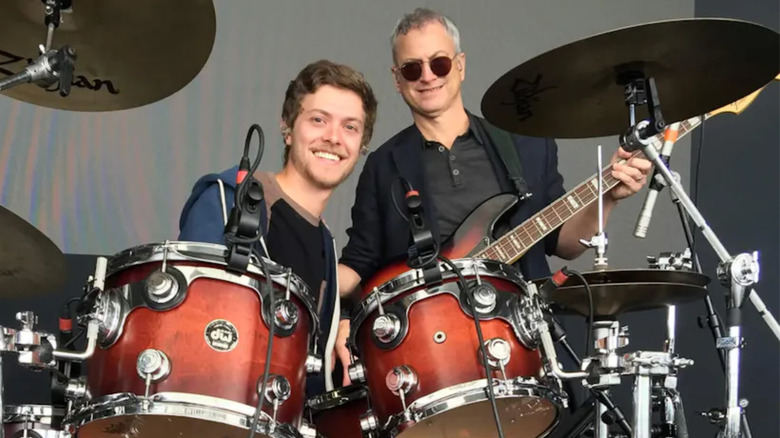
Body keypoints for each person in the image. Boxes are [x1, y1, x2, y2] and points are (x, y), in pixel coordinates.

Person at [334, 8, 651, 382]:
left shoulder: (526, 145)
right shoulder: (384, 165)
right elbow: (361, 260)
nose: (428, 77)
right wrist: (338, 315)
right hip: (433, 354)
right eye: (412, 69)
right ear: (397, 80)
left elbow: (563, 242)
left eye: (439, 63)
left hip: (523, 344)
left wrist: (608, 196)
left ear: (460, 65)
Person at [177, 59, 378, 396]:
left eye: (350, 127)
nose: (333, 138)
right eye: (318, 120)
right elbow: (186, 334)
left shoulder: (326, 244)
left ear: (361, 146)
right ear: (287, 128)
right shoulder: (230, 200)